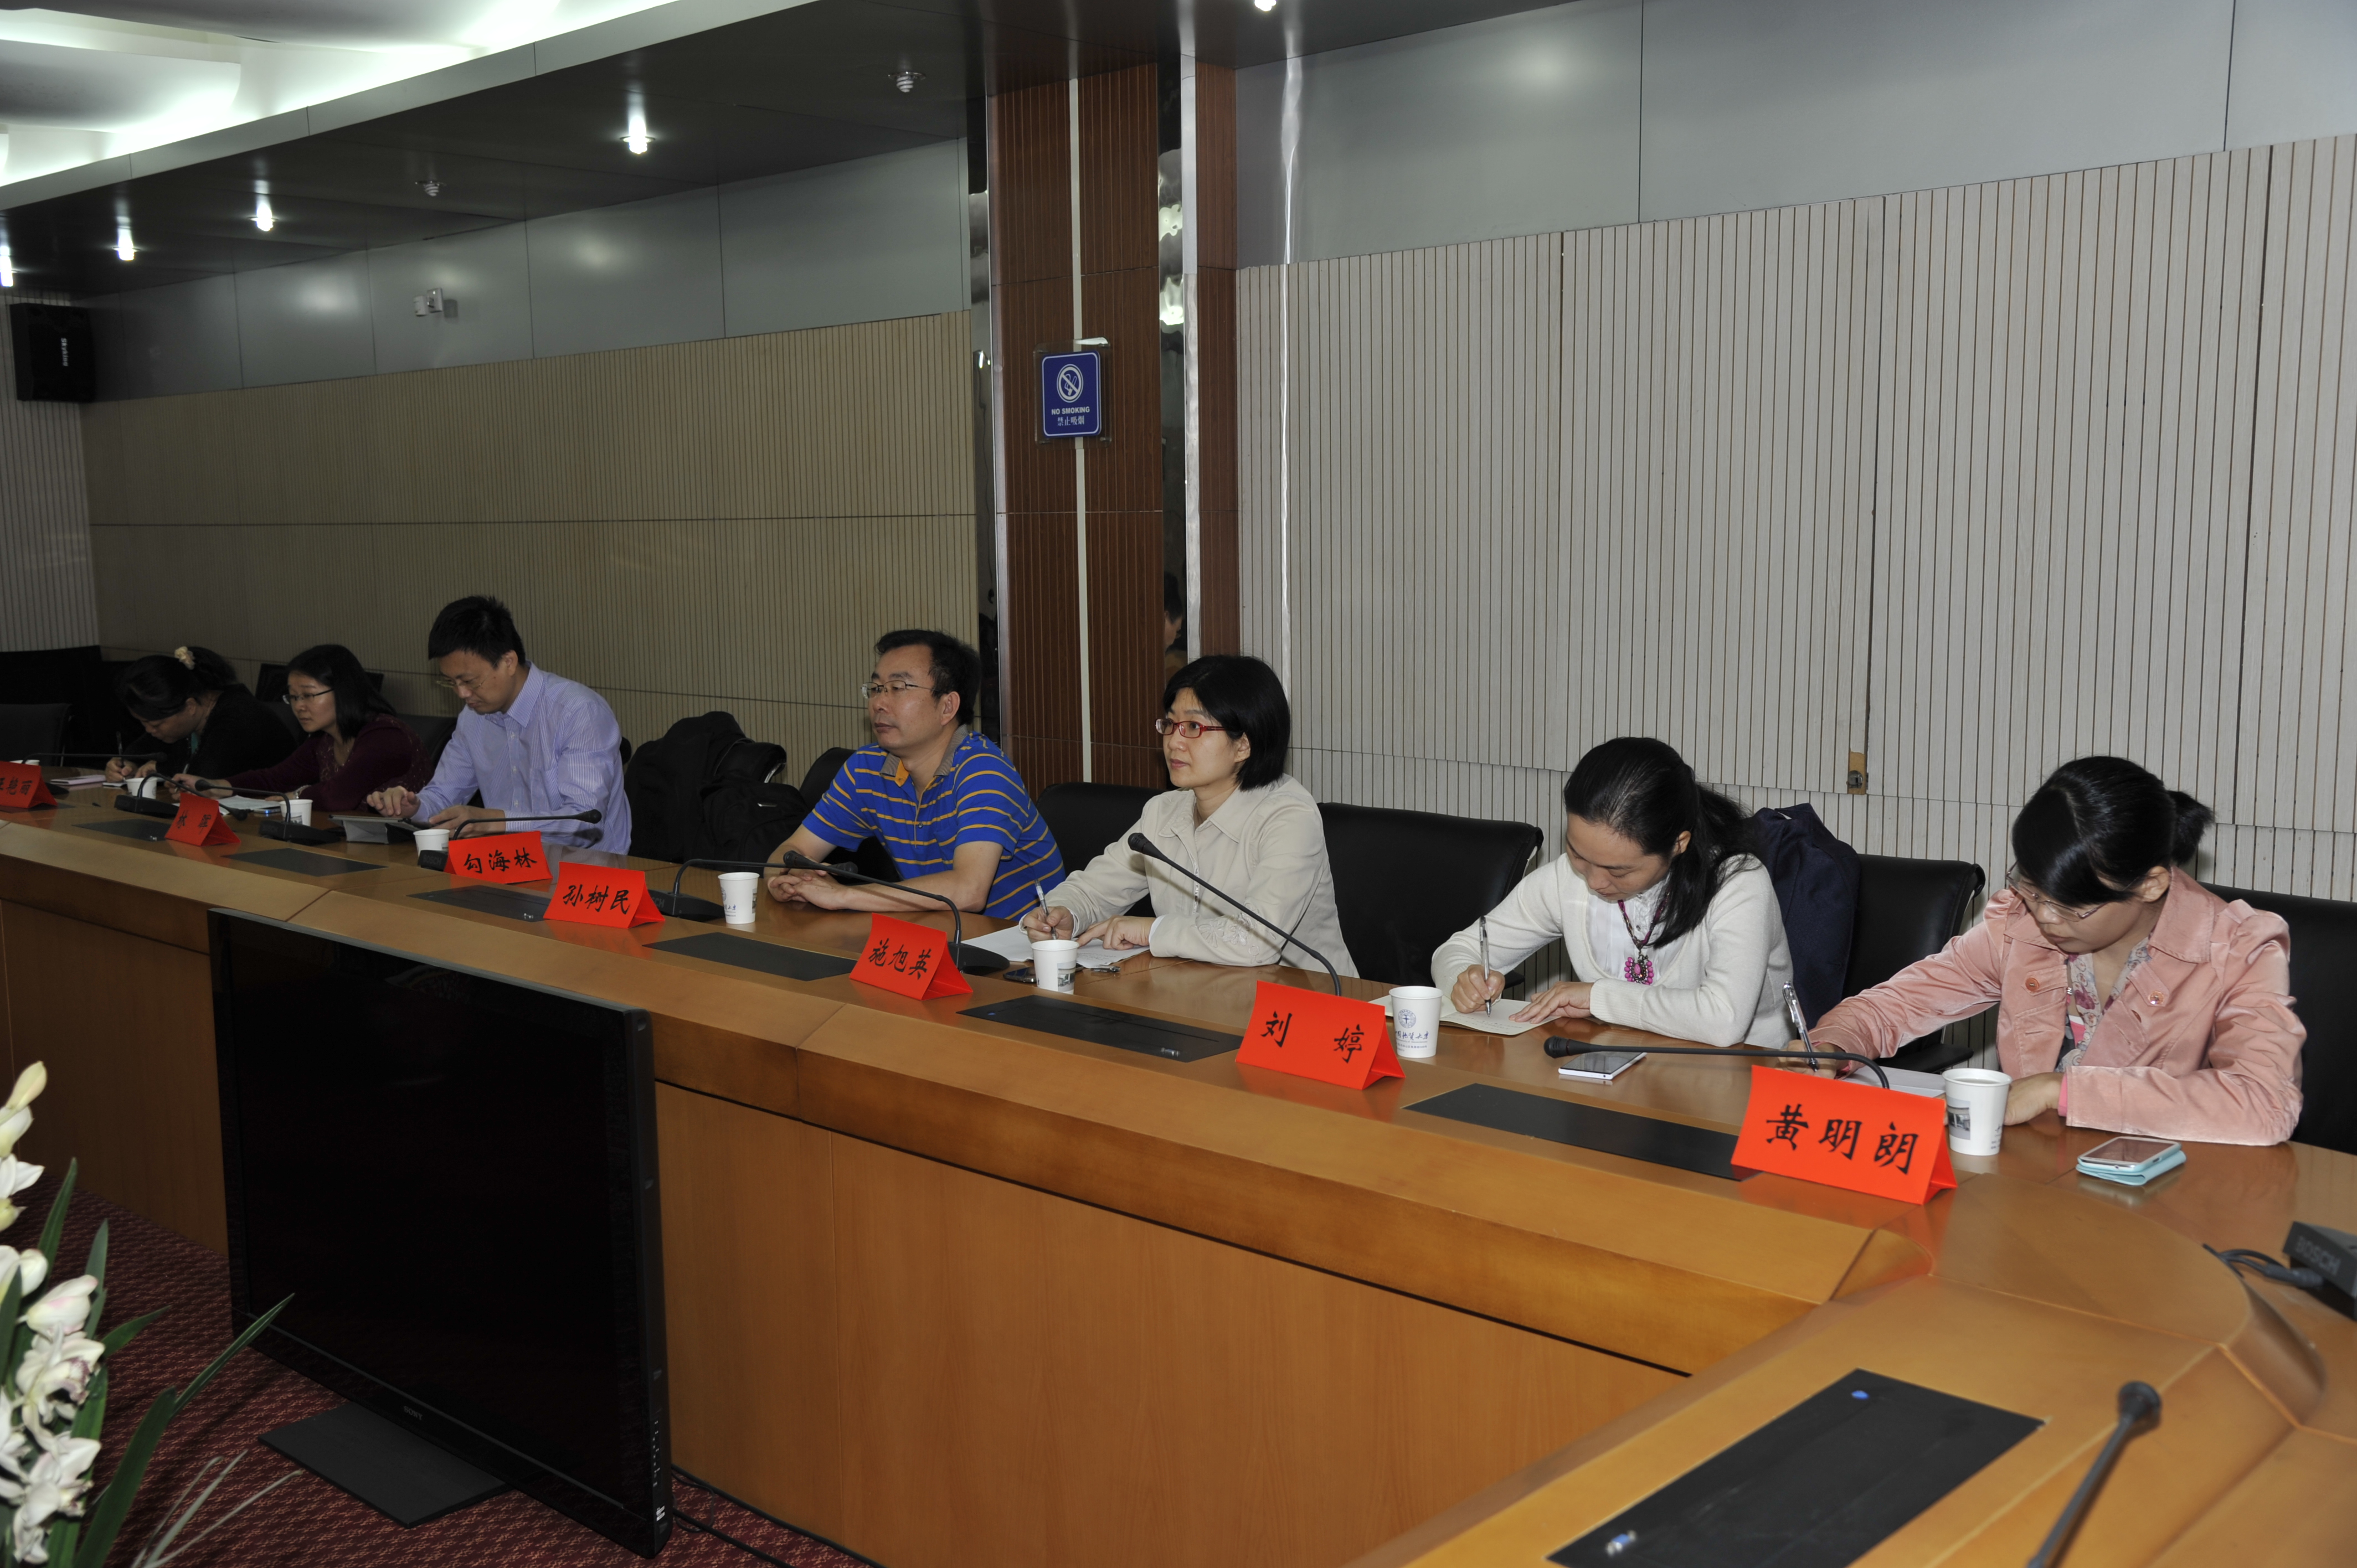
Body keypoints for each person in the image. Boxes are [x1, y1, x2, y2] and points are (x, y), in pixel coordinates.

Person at [1808, 757, 2303, 1144]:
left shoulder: (2236, 946)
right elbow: (1899, 1004)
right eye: (2032, 888)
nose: (2044, 916)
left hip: (2163, 1197)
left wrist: (2060, 1090)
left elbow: (2264, 1103)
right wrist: (1833, 1043)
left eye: (2071, 906)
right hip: (2034, 1176)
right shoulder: (2020, 923)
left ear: (2151, 885)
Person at [1434, 737, 1793, 1046]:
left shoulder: (1737, 884)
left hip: (1741, 1080)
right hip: (1619, 1071)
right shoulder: (1566, 880)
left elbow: (1723, 1020)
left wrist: (1598, 997)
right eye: (1578, 854)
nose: (1594, 882)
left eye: (1618, 871)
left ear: (1678, 844)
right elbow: (1457, 949)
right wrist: (1463, 979)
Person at [1022, 654, 1358, 974]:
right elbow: (1096, 890)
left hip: (1303, 1003)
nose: (1174, 742)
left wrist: (1152, 931)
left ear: (1243, 745)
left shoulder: (1288, 817)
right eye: (1170, 724)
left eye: (1194, 727)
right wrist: (1066, 913)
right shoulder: (1164, 812)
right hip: (1200, 993)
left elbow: (1258, 940)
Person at [764, 630, 1062, 918]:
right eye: (876, 688)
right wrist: (788, 878)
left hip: (1023, 942)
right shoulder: (866, 769)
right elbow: (791, 851)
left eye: (898, 688)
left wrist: (843, 896)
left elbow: (969, 891)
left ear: (947, 707)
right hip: (935, 933)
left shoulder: (984, 771)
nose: (879, 703)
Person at [366, 596, 630, 850]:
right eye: (451, 682)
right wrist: (414, 807)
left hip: (586, 873)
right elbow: (444, 796)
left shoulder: (578, 712)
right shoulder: (473, 718)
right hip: (507, 868)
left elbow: (583, 824)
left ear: (508, 662)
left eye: (469, 681)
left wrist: (494, 822)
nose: (462, 693)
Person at [174, 644, 430, 814]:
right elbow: (275, 779)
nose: (299, 707)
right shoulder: (325, 740)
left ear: (344, 691)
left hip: (407, 851)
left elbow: (337, 796)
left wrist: (296, 796)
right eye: (294, 697)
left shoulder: (385, 737)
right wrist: (214, 786)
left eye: (308, 696)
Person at [106, 646, 296, 783]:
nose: (150, 730)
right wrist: (125, 765)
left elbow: (206, 778)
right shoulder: (183, 716)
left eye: (155, 725)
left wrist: (162, 768)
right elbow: (141, 752)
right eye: (143, 723)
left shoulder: (239, 717)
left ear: (190, 706)